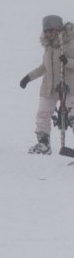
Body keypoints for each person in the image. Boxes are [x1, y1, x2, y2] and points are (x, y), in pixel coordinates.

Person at [19, 15, 74, 154]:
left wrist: (68, 61)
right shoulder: (48, 47)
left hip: (69, 86)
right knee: (43, 114)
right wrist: (28, 77)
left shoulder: (70, 43)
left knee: (73, 114)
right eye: (46, 31)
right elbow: (44, 67)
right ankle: (43, 144)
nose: (49, 33)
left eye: (52, 30)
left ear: (59, 29)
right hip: (49, 87)